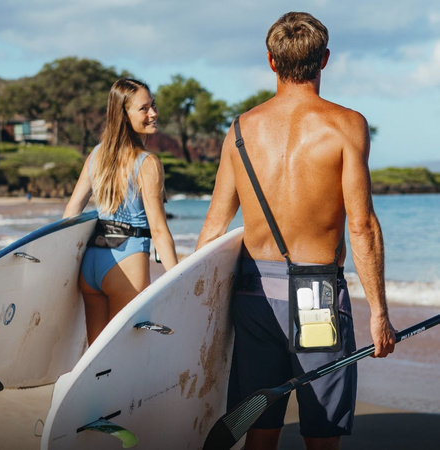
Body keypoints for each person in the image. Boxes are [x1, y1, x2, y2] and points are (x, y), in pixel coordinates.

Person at [196, 12, 396, 450]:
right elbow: (362, 225)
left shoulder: (240, 129)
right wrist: (378, 313)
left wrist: (195, 311)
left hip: (252, 297)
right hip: (317, 296)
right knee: (321, 432)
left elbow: (213, 226)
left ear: (271, 61)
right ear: (324, 59)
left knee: (259, 427)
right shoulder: (346, 125)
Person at [63, 78, 178, 345]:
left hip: (91, 265)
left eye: (153, 105)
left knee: (97, 355)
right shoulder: (147, 162)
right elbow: (159, 230)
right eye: (144, 109)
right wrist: (179, 280)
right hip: (126, 264)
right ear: (124, 116)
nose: (153, 113)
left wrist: (66, 262)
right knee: (127, 352)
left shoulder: (97, 155)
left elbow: (72, 210)